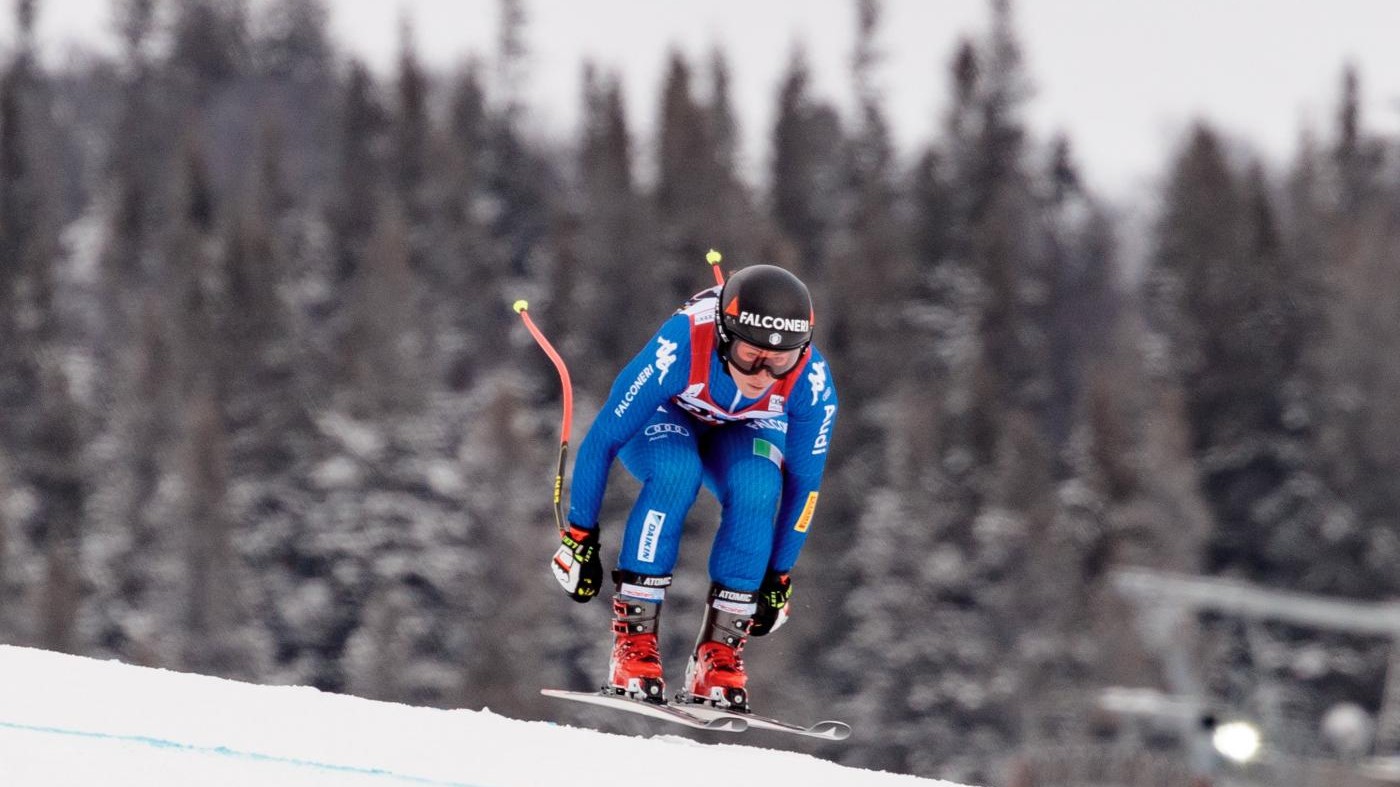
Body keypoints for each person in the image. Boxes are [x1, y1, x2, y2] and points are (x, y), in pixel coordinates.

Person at [550, 263, 839, 711]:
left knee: (759, 487)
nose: (762, 373)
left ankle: (719, 656)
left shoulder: (811, 383)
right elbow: (605, 436)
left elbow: (806, 487)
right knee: (674, 474)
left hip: (745, 428)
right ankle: (634, 646)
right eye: (750, 356)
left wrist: (779, 575)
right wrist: (580, 535)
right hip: (668, 415)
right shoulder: (684, 341)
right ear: (725, 336)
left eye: (779, 361)